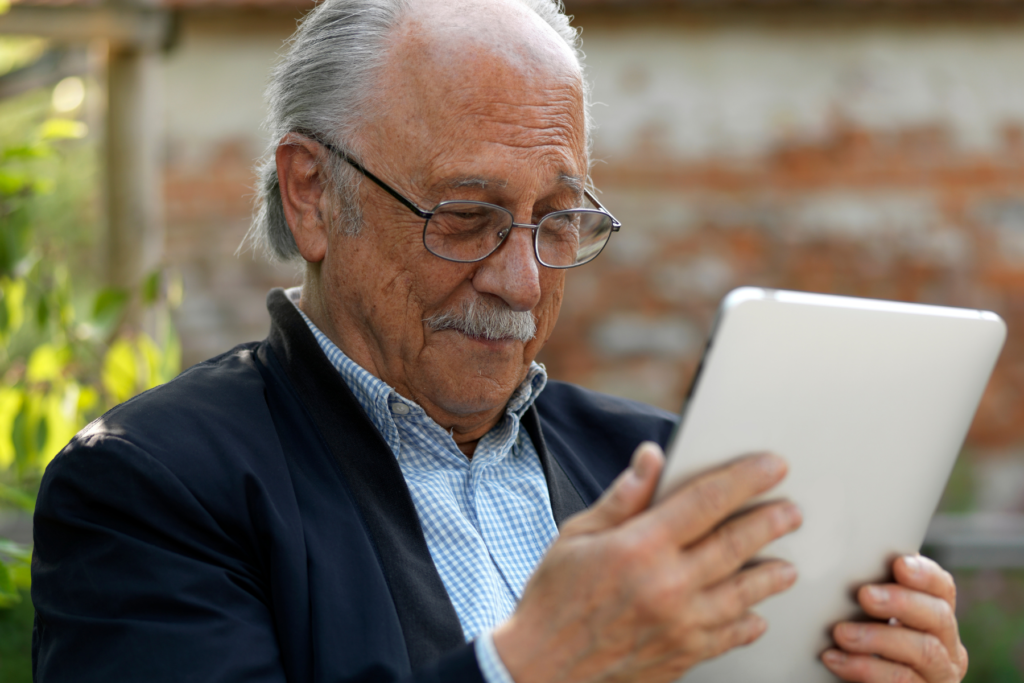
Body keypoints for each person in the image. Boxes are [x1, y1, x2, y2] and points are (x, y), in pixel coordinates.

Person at [31, 0, 969, 681]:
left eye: (559, 221)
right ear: (312, 194)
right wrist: (530, 667)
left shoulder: (662, 468)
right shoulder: (152, 485)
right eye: (468, 216)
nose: (521, 282)